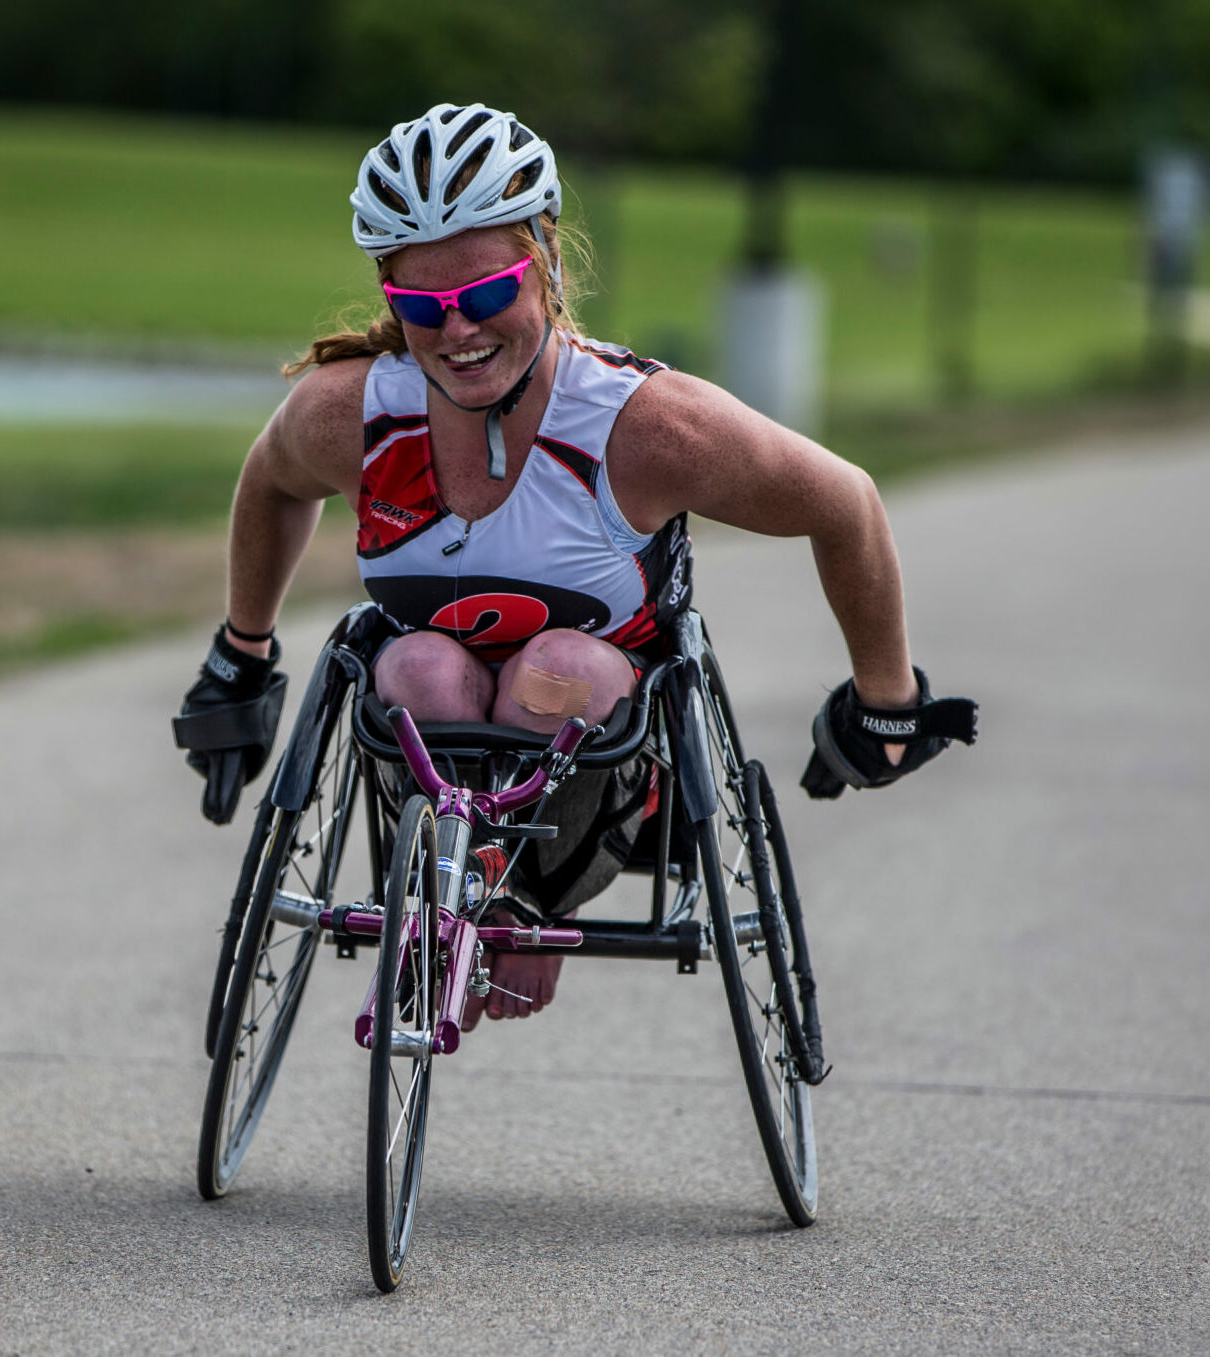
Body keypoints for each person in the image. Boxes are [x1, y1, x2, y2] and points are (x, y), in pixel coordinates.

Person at [177, 102, 976, 1027]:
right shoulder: (350, 415)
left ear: (547, 260)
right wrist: (241, 657)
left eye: (485, 295)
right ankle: (455, 902)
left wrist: (884, 698)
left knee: (558, 666)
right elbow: (272, 483)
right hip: (428, 746)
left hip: (595, 760)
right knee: (419, 662)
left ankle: (520, 904)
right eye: (421, 308)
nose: (456, 332)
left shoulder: (647, 428)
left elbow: (845, 503)